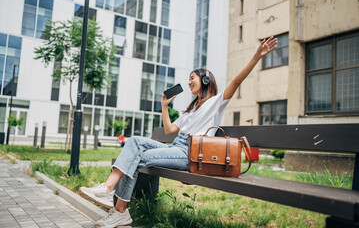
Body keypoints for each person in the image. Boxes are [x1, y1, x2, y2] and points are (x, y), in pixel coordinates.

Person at [78, 37, 277, 228]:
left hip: (189, 153)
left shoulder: (216, 103)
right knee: (135, 142)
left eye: (192, 78)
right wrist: (165, 106)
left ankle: (117, 205)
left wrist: (257, 56)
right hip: (177, 146)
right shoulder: (191, 109)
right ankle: (110, 193)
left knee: (137, 157)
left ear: (206, 80)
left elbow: (235, 81)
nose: (189, 82)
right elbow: (169, 130)